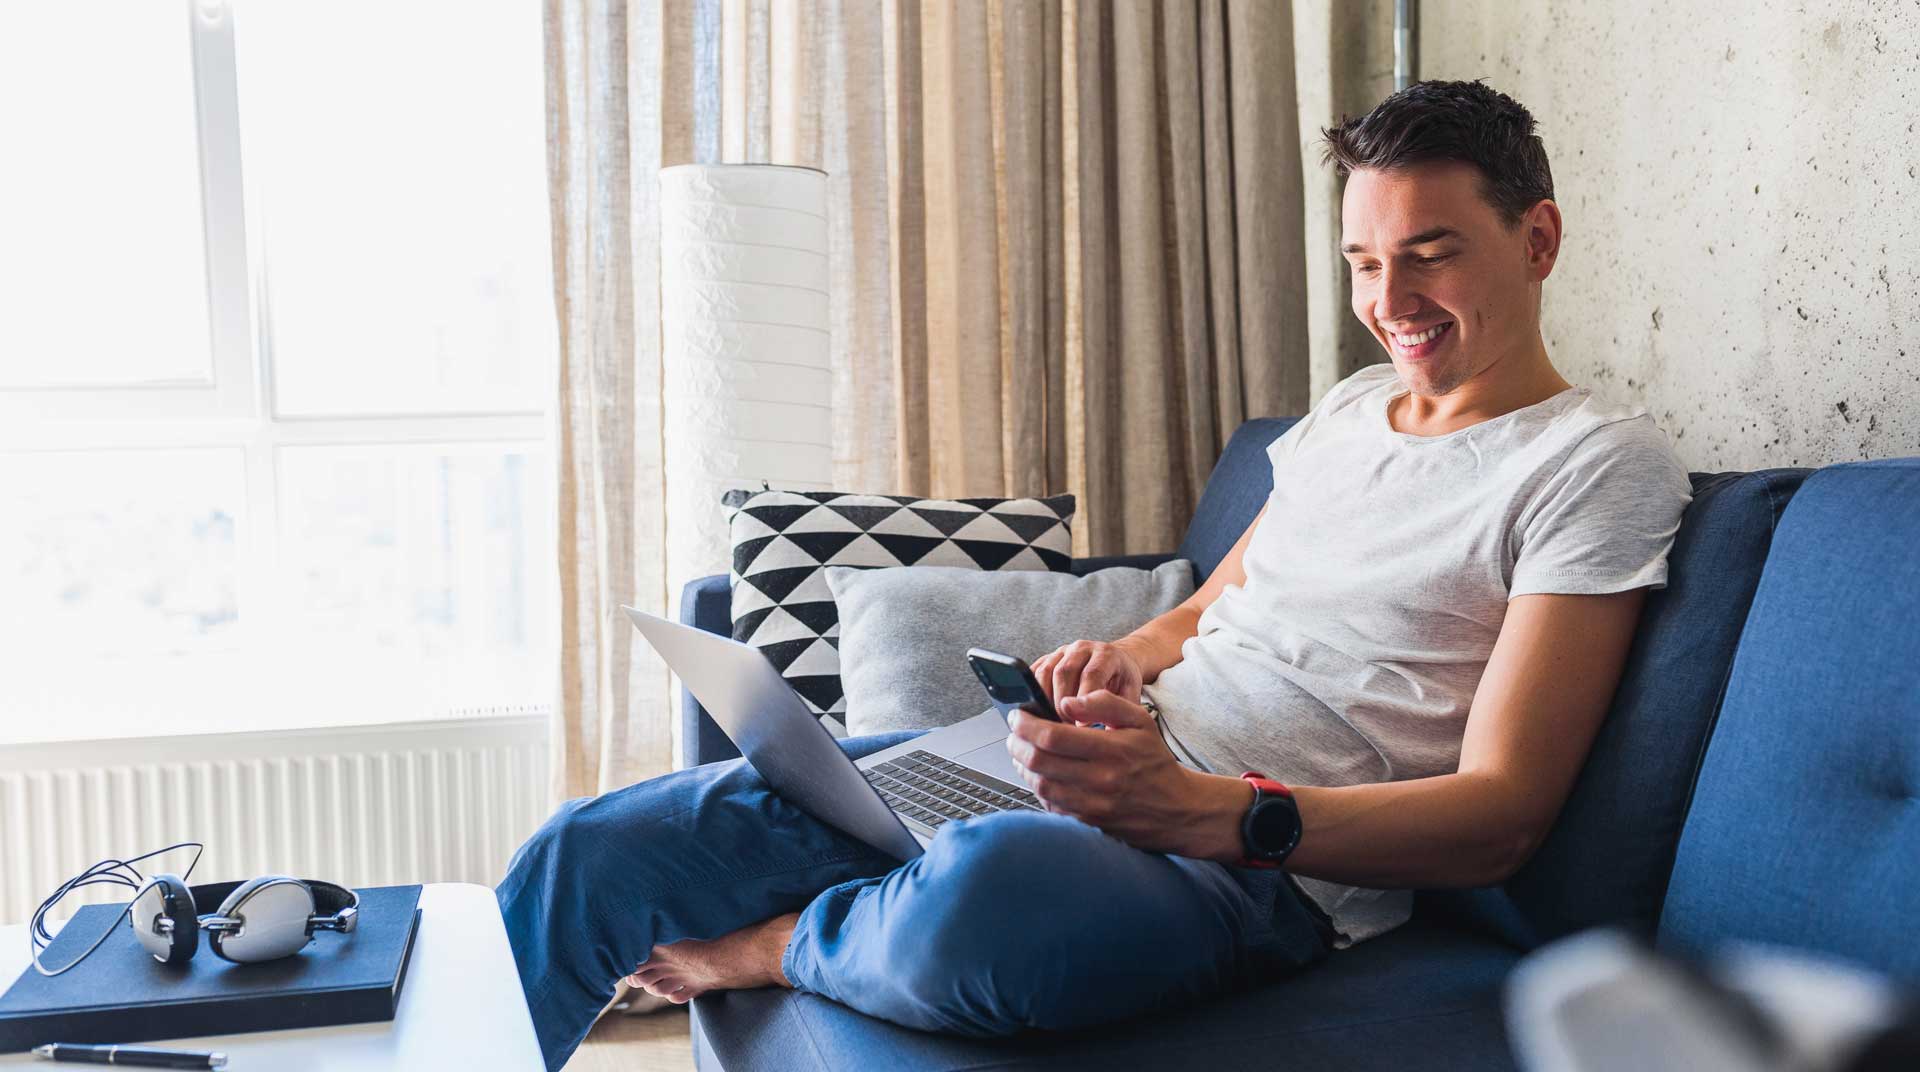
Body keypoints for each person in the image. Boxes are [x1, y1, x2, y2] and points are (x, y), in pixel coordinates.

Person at [496, 79, 1692, 1071]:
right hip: (1094, 766)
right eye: (1365, 261)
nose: (1391, 303)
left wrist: (1197, 808)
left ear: (1536, 239)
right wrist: (1110, 663)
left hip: (1256, 868)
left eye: (1431, 256)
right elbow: (1215, 606)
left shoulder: (1595, 465)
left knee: (984, 903)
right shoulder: (1350, 410)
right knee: (588, 848)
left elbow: (1501, 816)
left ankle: (780, 944)